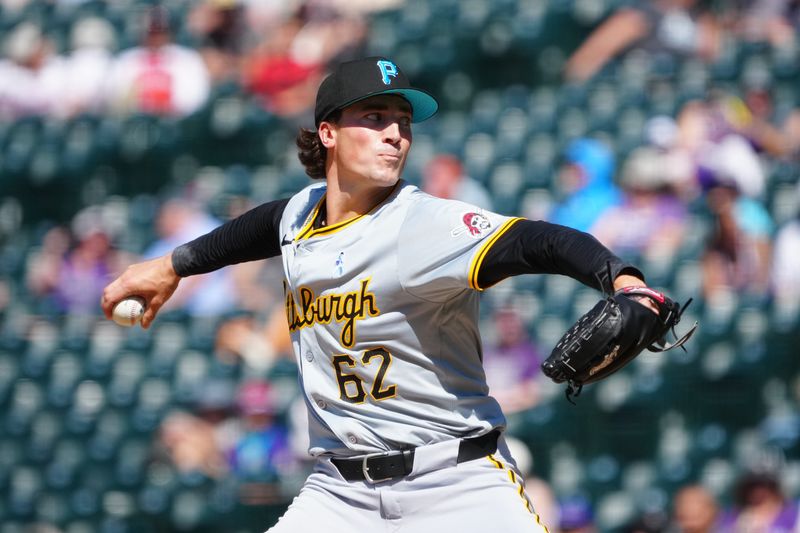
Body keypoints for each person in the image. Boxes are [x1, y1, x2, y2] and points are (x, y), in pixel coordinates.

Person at [102, 56, 662, 532]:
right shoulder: (300, 214)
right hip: (338, 494)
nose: (396, 133)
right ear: (328, 133)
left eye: (403, 122)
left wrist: (621, 277)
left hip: (456, 484)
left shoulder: (423, 224)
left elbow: (537, 241)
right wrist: (174, 265)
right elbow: (258, 228)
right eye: (374, 118)